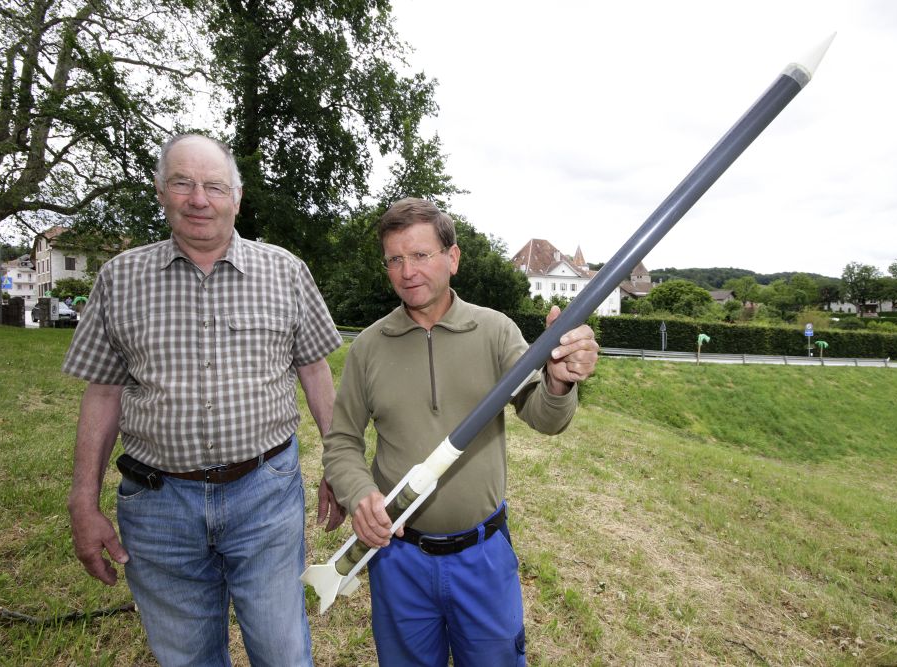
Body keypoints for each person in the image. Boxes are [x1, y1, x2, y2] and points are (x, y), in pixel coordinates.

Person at [63, 134, 344, 666]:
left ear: (236, 197)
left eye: (214, 186)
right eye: (183, 183)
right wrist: (83, 500)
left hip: (265, 493)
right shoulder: (119, 279)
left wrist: (339, 460)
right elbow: (101, 393)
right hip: (157, 504)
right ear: (161, 190)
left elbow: (314, 368)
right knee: (187, 658)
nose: (199, 198)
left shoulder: (285, 271)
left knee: (282, 650)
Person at [322, 198, 599, 666]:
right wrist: (359, 494)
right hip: (398, 559)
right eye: (395, 259)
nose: (407, 270)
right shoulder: (368, 347)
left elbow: (545, 418)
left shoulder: (494, 331)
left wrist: (558, 380)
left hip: (483, 556)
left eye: (421, 254)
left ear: (453, 258)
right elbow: (342, 440)